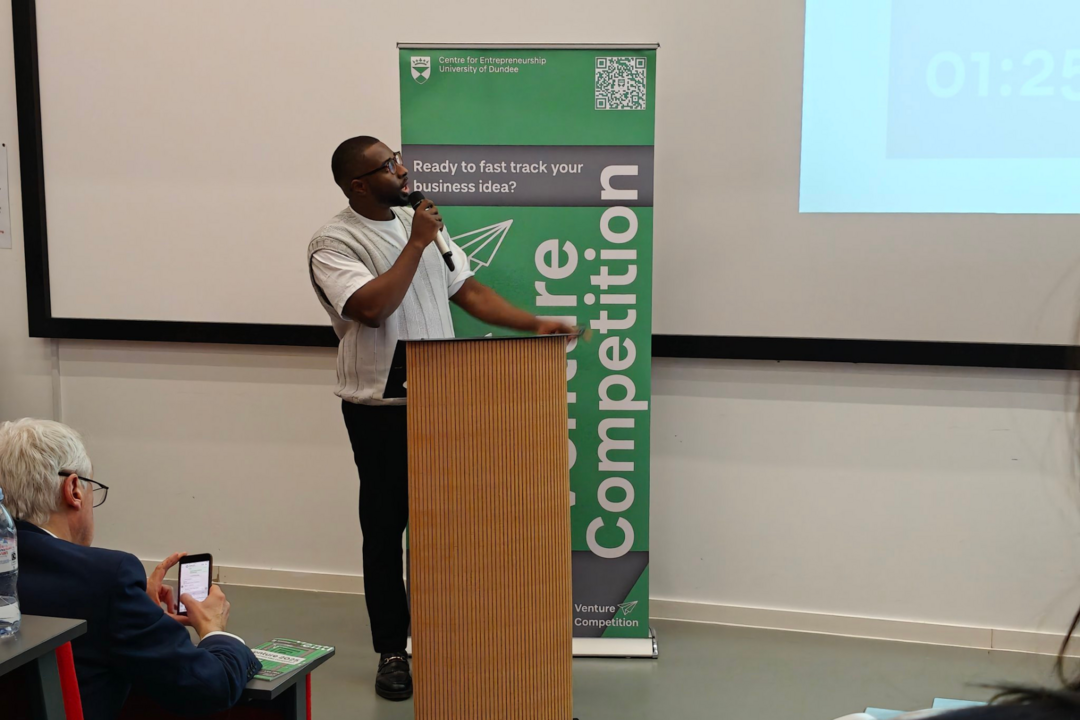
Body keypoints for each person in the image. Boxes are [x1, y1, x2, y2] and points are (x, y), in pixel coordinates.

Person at [307, 136, 572, 700]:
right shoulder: (333, 242)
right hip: (379, 407)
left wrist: (533, 324)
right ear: (358, 184)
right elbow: (373, 308)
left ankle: (454, 637)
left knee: (450, 528)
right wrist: (416, 241)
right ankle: (392, 652)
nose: (401, 170)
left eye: (398, 160)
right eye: (386, 166)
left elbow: (466, 289)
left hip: (446, 399)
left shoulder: (421, 220)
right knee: (385, 530)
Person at [0, 419, 260, 720]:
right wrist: (214, 630)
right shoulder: (105, 578)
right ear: (73, 490)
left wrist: (139, 614)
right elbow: (210, 687)